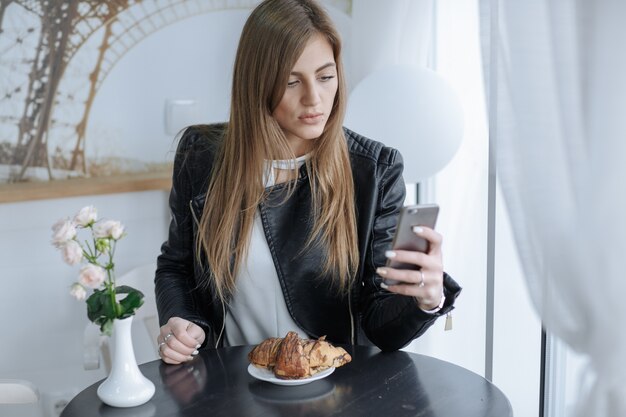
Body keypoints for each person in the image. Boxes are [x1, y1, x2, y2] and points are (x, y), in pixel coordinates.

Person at [155, 0, 461, 365]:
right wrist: (182, 321)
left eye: (326, 76)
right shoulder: (201, 155)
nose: (314, 99)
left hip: (334, 389)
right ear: (257, 85)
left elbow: (381, 328)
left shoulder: (374, 171)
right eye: (290, 81)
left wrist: (425, 301)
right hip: (232, 386)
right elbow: (177, 265)